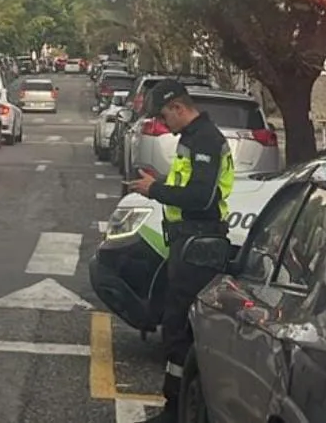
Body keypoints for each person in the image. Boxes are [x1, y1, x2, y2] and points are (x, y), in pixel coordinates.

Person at [127, 79, 236, 422]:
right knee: (176, 325)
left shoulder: (205, 140)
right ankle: (176, 405)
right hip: (186, 241)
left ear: (178, 107)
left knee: (179, 328)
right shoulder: (192, 138)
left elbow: (200, 197)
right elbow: (188, 187)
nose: (163, 123)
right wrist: (159, 185)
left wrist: (155, 190)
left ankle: (177, 409)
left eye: (164, 116)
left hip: (198, 245)